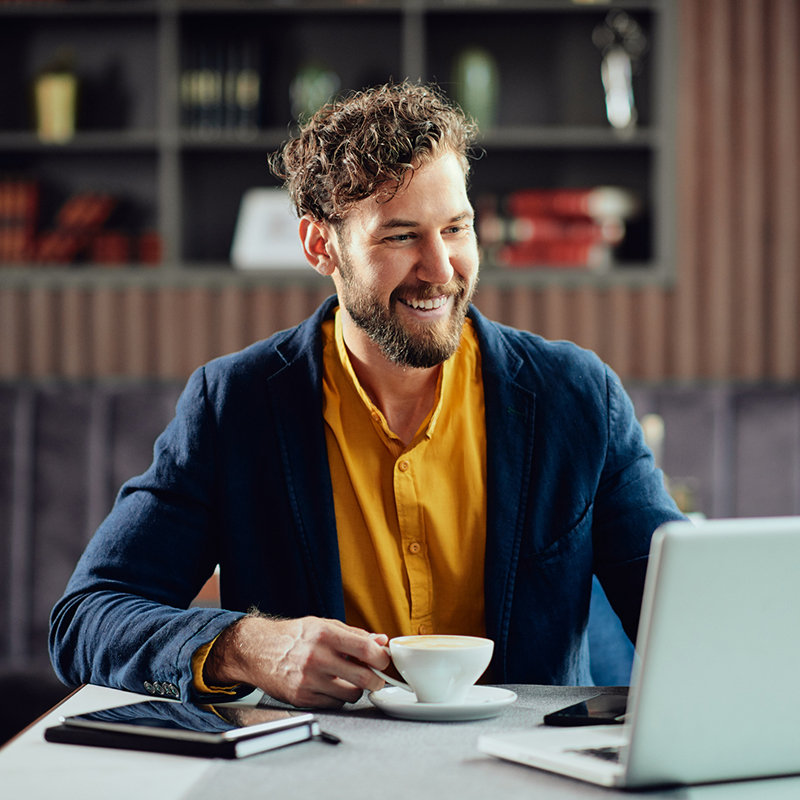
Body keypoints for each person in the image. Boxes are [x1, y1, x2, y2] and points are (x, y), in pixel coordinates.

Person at [50, 81, 683, 709]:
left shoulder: (577, 397)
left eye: (456, 228)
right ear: (320, 244)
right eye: (402, 236)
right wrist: (243, 646)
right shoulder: (234, 406)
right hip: (315, 770)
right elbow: (86, 618)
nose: (440, 269)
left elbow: (684, 614)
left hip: (528, 772)